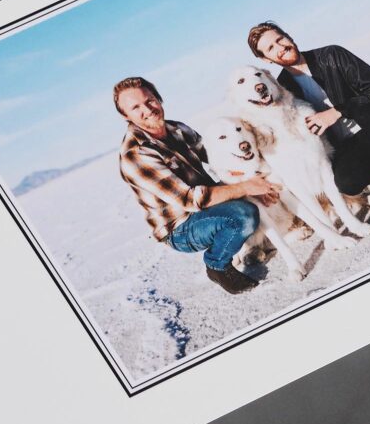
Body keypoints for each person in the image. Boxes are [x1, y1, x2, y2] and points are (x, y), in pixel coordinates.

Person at [245, 21, 370, 216]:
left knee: (368, 113)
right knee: (347, 183)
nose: (280, 47)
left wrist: (337, 111)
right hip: (350, 144)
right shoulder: (284, 87)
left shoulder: (332, 55)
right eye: (271, 48)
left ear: (289, 37)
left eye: (280, 39)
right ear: (266, 60)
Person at [114, 75, 279, 295]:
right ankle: (216, 265)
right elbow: (189, 200)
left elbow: (216, 155)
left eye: (150, 100)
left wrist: (252, 176)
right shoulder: (136, 154)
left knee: (256, 191)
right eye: (136, 107)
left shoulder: (177, 129)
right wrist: (246, 187)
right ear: (126, 116)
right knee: (242, 215)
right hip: (181, 226)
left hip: (207, 204)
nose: (148, 109)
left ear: (159, 99)